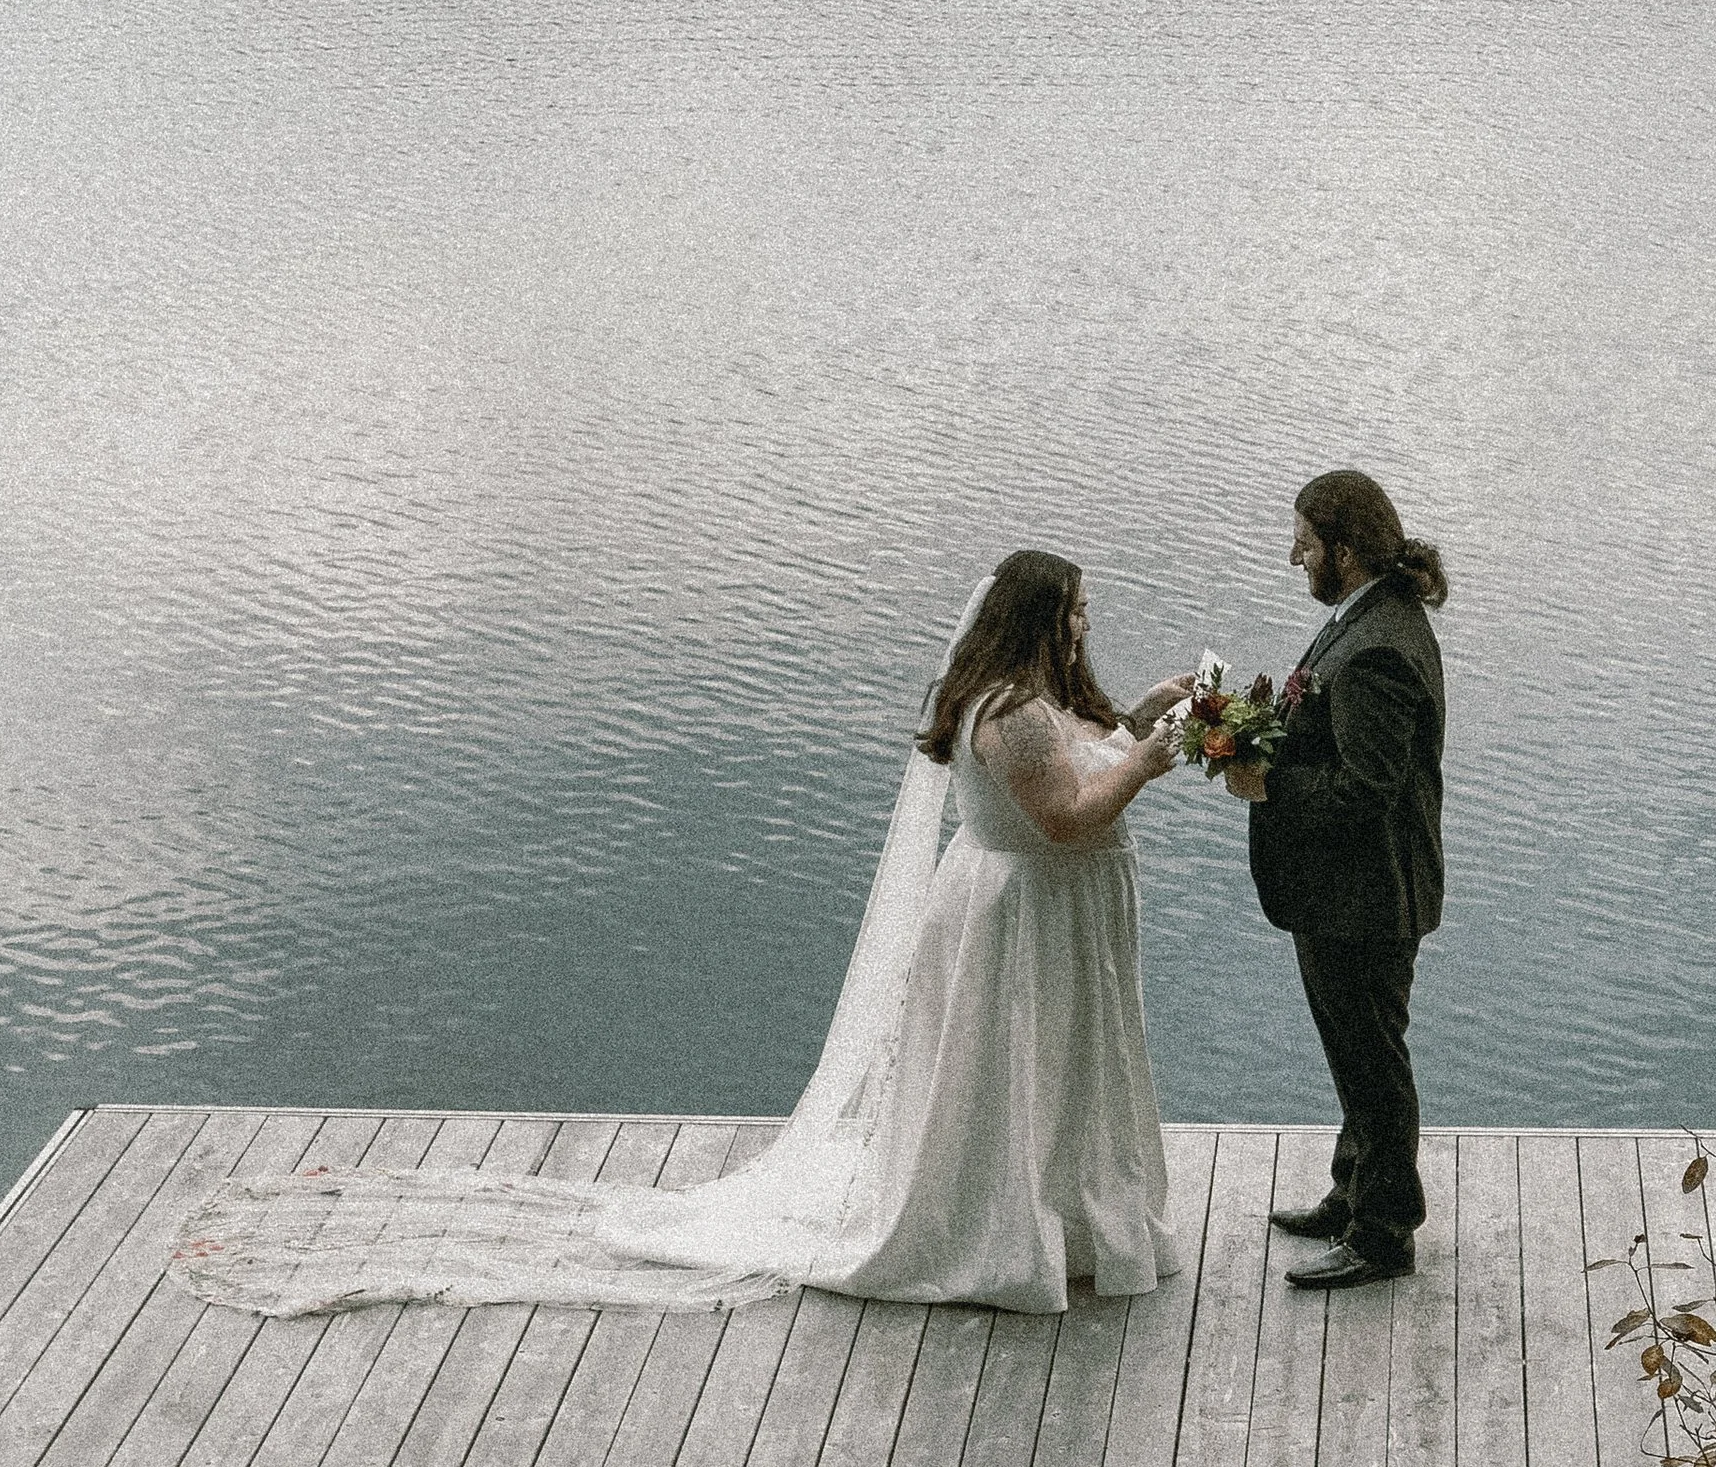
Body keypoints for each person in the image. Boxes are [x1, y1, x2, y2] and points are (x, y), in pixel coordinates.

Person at [171, 554, 1192, 1321]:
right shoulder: (1011, 715)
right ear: (1036, 621)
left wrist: (1136, 720)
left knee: (1037, 1071)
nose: (1085, 627)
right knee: (1017, 1067)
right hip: (1024, 921)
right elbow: (1063, 816)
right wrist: (1146, 760)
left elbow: (1072, 759)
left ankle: (1047, 1209)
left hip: (1035, 915)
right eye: (1075, 615)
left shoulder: (1022, 698)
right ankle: (1006, 1225)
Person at [1228, 466, 1446, 1289]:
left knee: (1372, 1062)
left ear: (1344, 552)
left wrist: (1267, 781)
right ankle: (1354, 1192)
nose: (1295, 557)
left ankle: (1385, 1234)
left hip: (1367, 896)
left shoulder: (1380, 650)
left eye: (1306, 542)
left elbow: (1366, 789)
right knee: (1353, 1051)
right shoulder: (1371, 616)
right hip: (1345, 892)